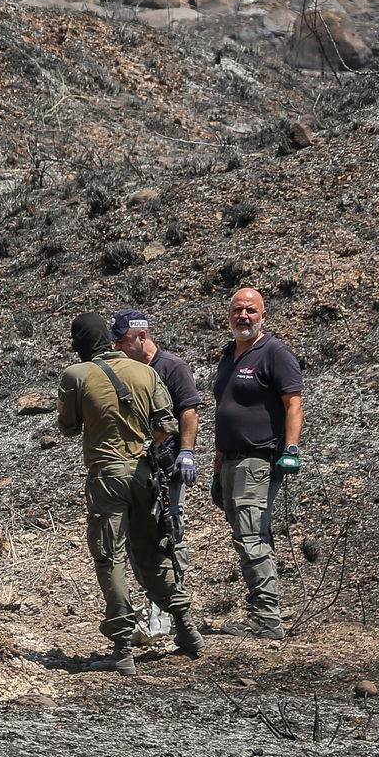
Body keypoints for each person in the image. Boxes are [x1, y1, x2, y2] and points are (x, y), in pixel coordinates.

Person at [58, 311, 205, 676]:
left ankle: (121, 648)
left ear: (79, 344)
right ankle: (186, 628)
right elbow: (165, 425)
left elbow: (67, 426)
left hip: (107, 475)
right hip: (145, 473)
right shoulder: (146, 371)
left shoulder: (76, 376)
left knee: (111, 557)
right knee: (153, 551)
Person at [211, 287, 303, 640]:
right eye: (237, 310)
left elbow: (293, 403)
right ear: (228, 315)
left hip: (258, 459)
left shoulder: (274, 353)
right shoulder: (228, 355)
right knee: (247, 536)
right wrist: (218, 466)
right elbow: (225, 411)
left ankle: (267, 619)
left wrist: (291, 449)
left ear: (263, 314)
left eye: (250, 310)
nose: (243, 316)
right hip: (230, 461)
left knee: (251, 536)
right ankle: (263, 611)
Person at [110, 309, 202, 644]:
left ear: (142, 337)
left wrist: (186, 452)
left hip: (167, 464)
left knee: (168, 535)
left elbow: (187, 412)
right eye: (116, 341)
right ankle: (159, 610)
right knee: (141, 540)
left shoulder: (170, 367)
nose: (118, 346)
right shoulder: (125, 370)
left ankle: (174, 614)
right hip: (136, 467)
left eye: (123, 340)